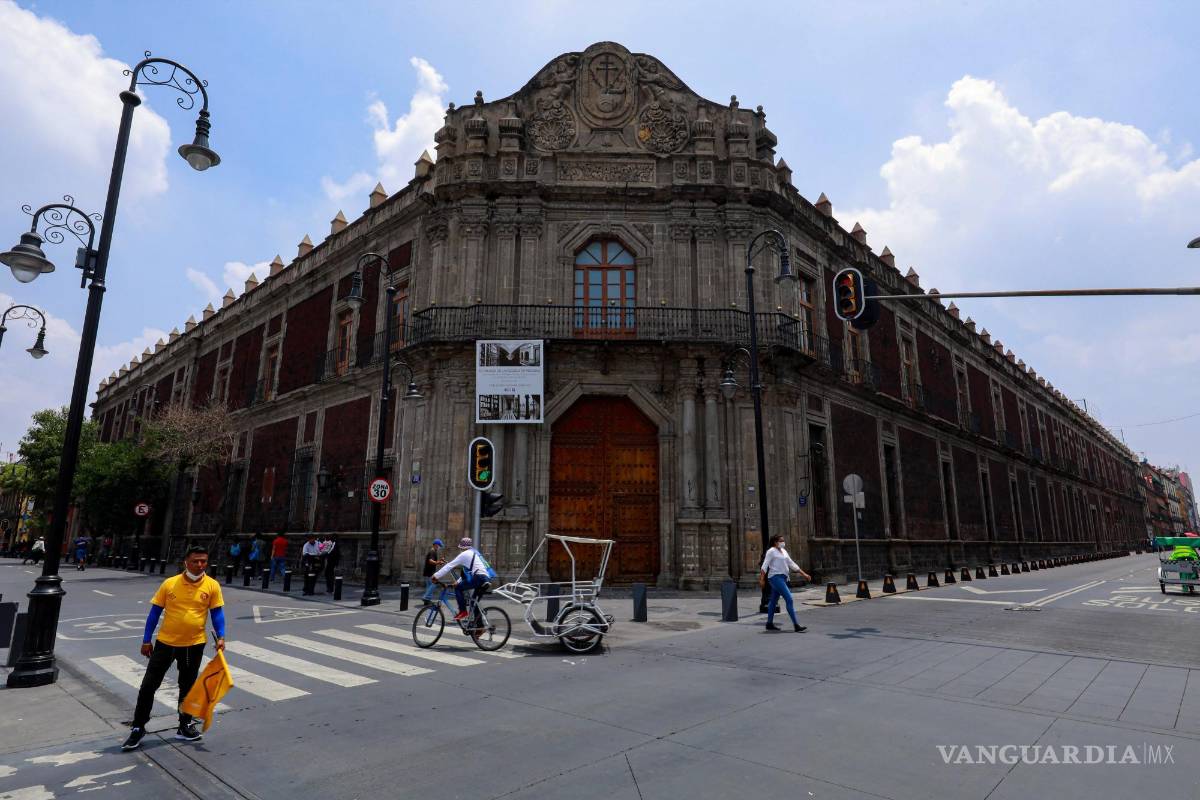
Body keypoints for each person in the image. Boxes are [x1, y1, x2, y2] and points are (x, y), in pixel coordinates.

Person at [122, 545, 226, 751]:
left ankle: (184, 725)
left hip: (194, 644)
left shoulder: (212, 586)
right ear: (186, 562)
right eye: (195, 561)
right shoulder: (170, 584)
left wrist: (221, 636)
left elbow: (217, 613)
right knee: (149, 686)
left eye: (203, 561)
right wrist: (146, 640)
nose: (199, 565)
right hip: (165, 644)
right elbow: (154, 613)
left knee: (187, 687)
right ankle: (138, 727)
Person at [431, 537, 495, 621]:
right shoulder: (475, 553)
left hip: (478, 577)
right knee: (473, 602)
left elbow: (449, 566)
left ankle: (463, 611)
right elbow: (466, 573)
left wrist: (436, 575)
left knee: (458, 588)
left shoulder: (464, 555)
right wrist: (458, 581)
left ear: (461, 547)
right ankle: (479, 626)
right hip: (485, 579)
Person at [760, 534, 811, 633]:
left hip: (783, 578)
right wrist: (762, 579)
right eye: (781, 540)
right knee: (789, 599)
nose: (783, 542)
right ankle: (796, 625)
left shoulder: (783, 551)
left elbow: (791, 563)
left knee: (773, 601)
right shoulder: (771, 551)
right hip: (775, 578)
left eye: (783, 540)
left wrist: (804, 574)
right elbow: (764, 565)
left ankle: (769, 623)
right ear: (775, 542)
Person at [421, 538, 445, 605]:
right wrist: (438, 562)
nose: (439, 547)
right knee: (434, 584)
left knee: (429, 586)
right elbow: (430, 561)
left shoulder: (433, 551)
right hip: (430, 572)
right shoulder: (432, 551)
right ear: (436, 545)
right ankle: (426, 597)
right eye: (439, 545)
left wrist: (439, 561)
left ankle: (427, 601)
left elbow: (432, 561)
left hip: (428, 572)